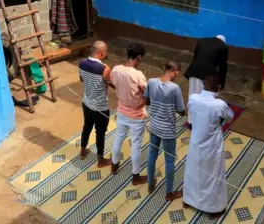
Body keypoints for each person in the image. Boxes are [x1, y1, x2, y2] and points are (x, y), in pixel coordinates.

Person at [183, 75, 234, 215]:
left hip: (195, 141)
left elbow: (192, 114)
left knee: (193, 171)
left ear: (203, 84)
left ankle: (189, 199)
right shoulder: (219, 104)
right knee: (212, 175)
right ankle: (214, 208)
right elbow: (230, 116)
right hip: (212, 146)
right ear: (219, 88)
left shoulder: (193, 98)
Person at [144, 61, 186, 201]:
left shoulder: (151, 82)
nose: (176, 77)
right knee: (169, 160)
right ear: (173, 70)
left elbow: (147, 101)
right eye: (176, 74)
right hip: (168, 130)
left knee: (152, 155)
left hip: (154, 126)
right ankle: (169, 193)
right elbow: (181, 110)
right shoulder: (175, 88)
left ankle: (150, 184)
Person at [110, 43, 148, 185]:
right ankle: (135, 175)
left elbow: (112, 82)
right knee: (136, 145)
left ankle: (114, 165)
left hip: (121, 111)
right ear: (138, 57)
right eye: (141, 58)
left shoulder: (116, 69)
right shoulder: (138, 74)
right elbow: (146, 91)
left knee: (118, 138)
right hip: (136, 115)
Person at [79, 41, 114, 167]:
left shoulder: (82, 63)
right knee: (100, 132)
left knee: (86, 127)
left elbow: (82, 79)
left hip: (86, 103)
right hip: (100, 107)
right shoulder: (105, 68)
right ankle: (100, 160)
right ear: (102, 53)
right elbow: (111, 84)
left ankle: (82, 152)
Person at [183, 35, 228, 99]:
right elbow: (223, 67)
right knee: (202, 96)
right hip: (206, 76)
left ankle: (191, 107)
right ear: (223, 42)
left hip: (193, 71)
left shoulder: (202, 40)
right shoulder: (223, 47)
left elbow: (195, 56)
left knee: (192, 93)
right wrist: (222, 83)